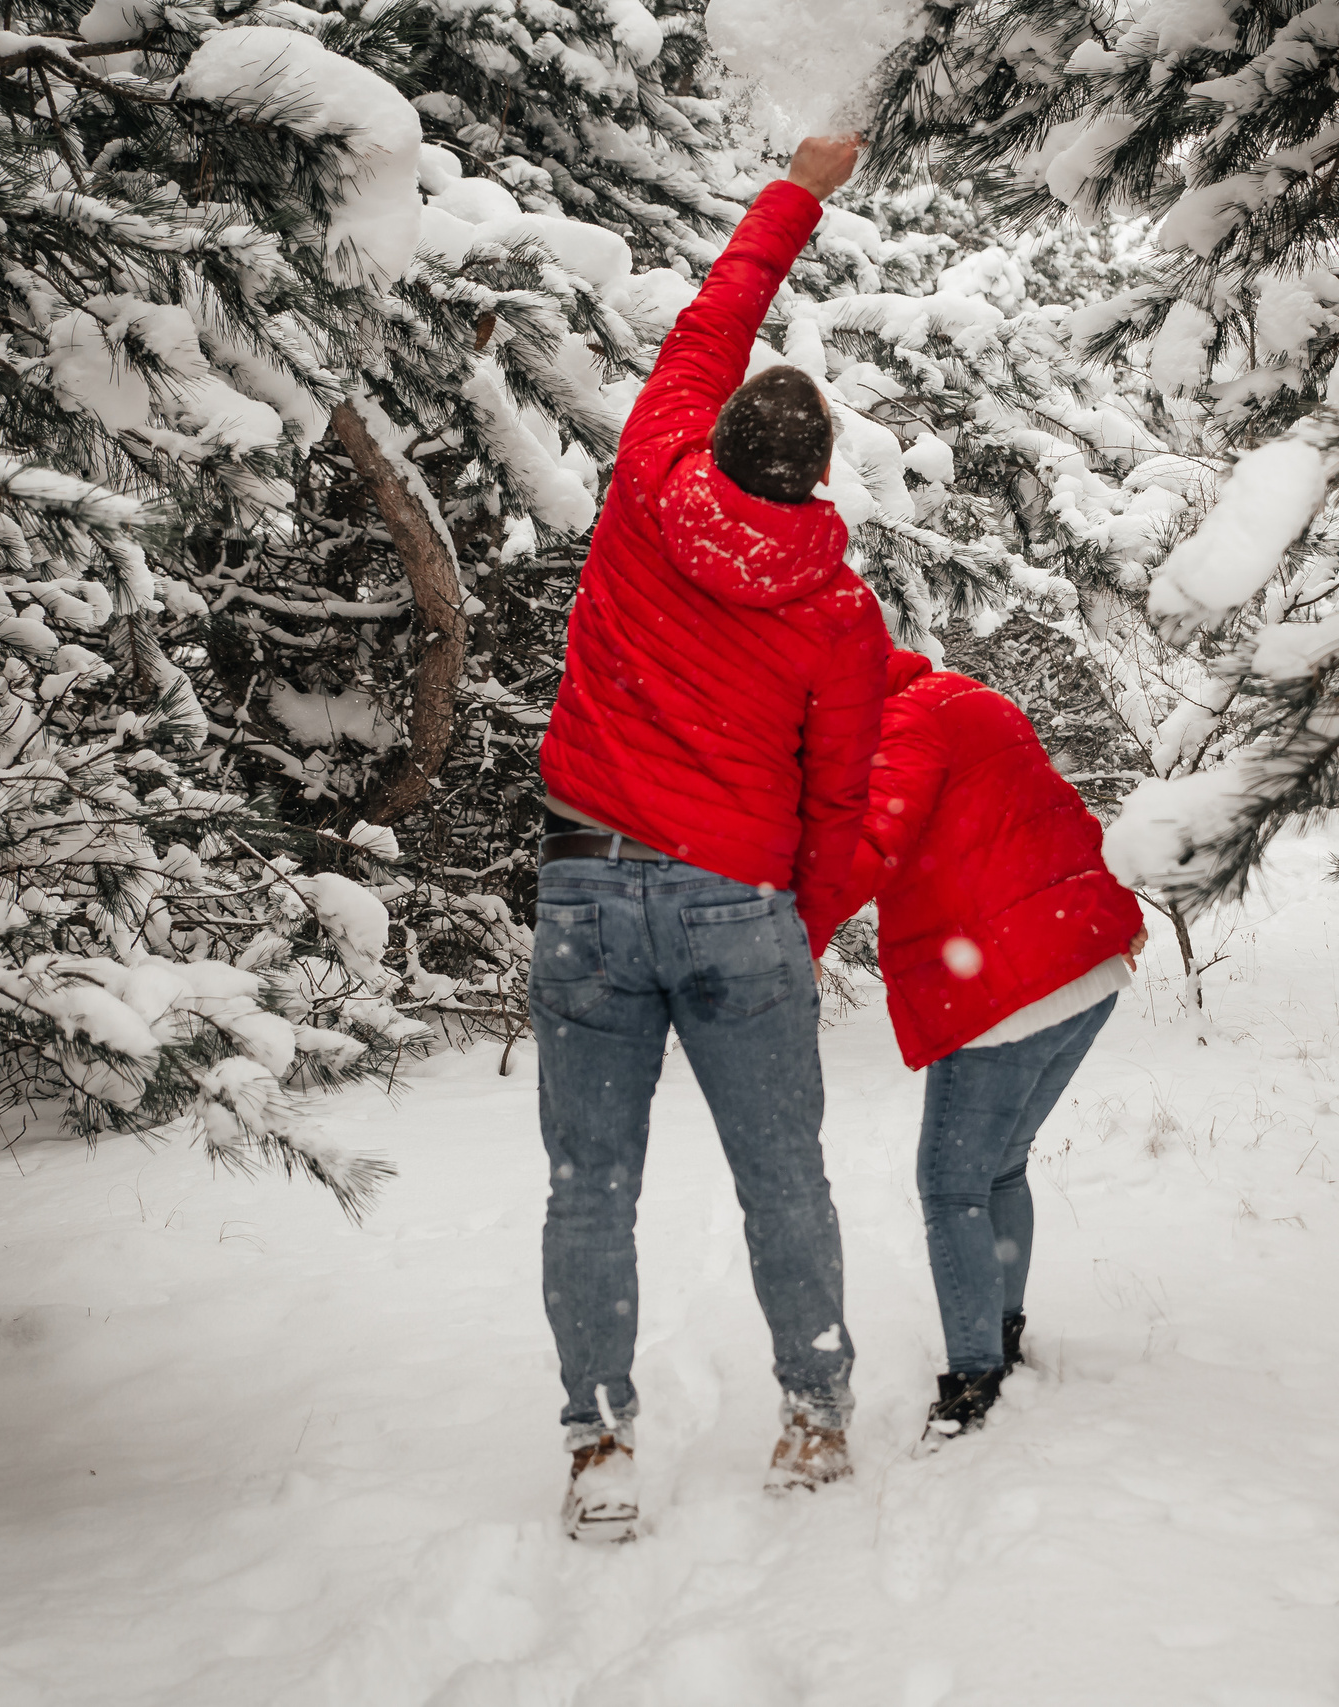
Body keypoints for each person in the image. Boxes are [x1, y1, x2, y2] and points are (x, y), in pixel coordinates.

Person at [532, 134, 888, 1543]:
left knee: (590, 1183)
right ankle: (811, 1416)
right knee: (783, 1174)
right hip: (741, 907)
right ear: (811, 479)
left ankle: (599, 1445)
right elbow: (844, 805)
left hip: (586, 889)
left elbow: (718, 305)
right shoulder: (835, 612)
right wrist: (799, 924)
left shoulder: (647, 472)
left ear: (721, 432)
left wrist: (804, 181)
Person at [835, 648, 1148, 1442]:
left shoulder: (902, 725)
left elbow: (872, 846)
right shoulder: (967, 698)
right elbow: (1064, 810)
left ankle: (974, 1379)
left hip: (1010, 987)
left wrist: (782, 931)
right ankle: (999, 1335)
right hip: (1081, 966)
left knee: (951, 1186)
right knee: (999, 1164)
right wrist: (1113, 912)